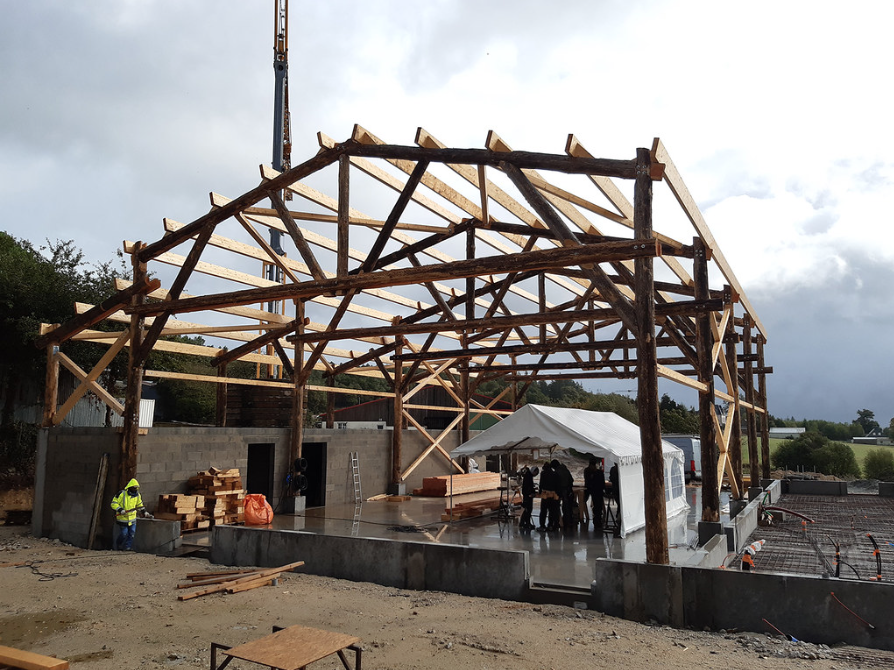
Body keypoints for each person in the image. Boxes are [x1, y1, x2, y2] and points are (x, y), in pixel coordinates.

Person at [111, 478, 151, 551]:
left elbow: (139, 505)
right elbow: (113, 503)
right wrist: (120, 510)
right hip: (123, 519)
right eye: (134, 488)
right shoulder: (121, 494)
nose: (135, 489)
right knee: (124, 533)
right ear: (130, 487)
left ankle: (127, 547)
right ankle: (118, 545)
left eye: (136, 488)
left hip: (132, 519)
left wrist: (144, 512)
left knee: (132, 533)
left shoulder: (137, 495)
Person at [551, 459, 574, 530]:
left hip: (561, 490)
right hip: (568, 490)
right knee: (567, 507)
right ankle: (568, 521)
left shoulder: (557, 472)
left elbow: (555, 483)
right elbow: (571, 480)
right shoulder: (565, 470)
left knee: (557, 506)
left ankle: (559, 522)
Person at [583, 457, 606, 527]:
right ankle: (597, 517)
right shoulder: (599, 472)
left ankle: (595, 517)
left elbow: (587, 480)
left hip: (591, 489)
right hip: (597, 490)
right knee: (598, 504)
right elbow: (602, 483)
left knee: (585, 501)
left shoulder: (587, 471)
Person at [538, 463, 560, 531]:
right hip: (553, 494)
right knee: (551, 511)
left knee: (543, 511)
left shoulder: (543, 473)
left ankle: (542, 525)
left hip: (545, 493)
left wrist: (539, 491)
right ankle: (550, 525)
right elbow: (557, 484)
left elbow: (541, 484)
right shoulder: (555, 474)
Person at [518, 466, 538, 530]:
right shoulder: (528, 476)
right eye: (536, 473)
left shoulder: (528, 475)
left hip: (526, 494)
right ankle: (525, 523)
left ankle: (525, 523)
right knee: (528, 509)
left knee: (527, 509)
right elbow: (528, 486)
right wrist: (532, 492)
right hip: (528, 495)